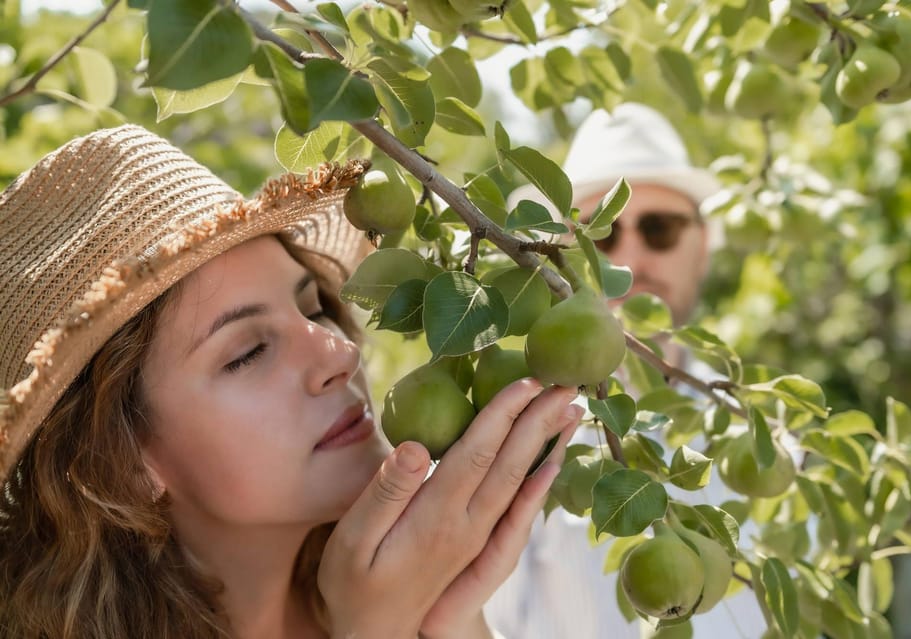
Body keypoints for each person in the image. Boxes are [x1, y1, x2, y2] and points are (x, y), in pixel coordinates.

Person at [0, 124, 586, 639]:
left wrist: (454, 617)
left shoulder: (403, 585)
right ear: (122, 456)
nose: (339, 353)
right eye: (249, 353)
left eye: (313, 310)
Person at [484, 103, 769, 638]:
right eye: (603, 235)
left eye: (660, 229)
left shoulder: (763, 440)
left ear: (703, 246)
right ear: (561, 252)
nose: (630, 259)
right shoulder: (517, 439)